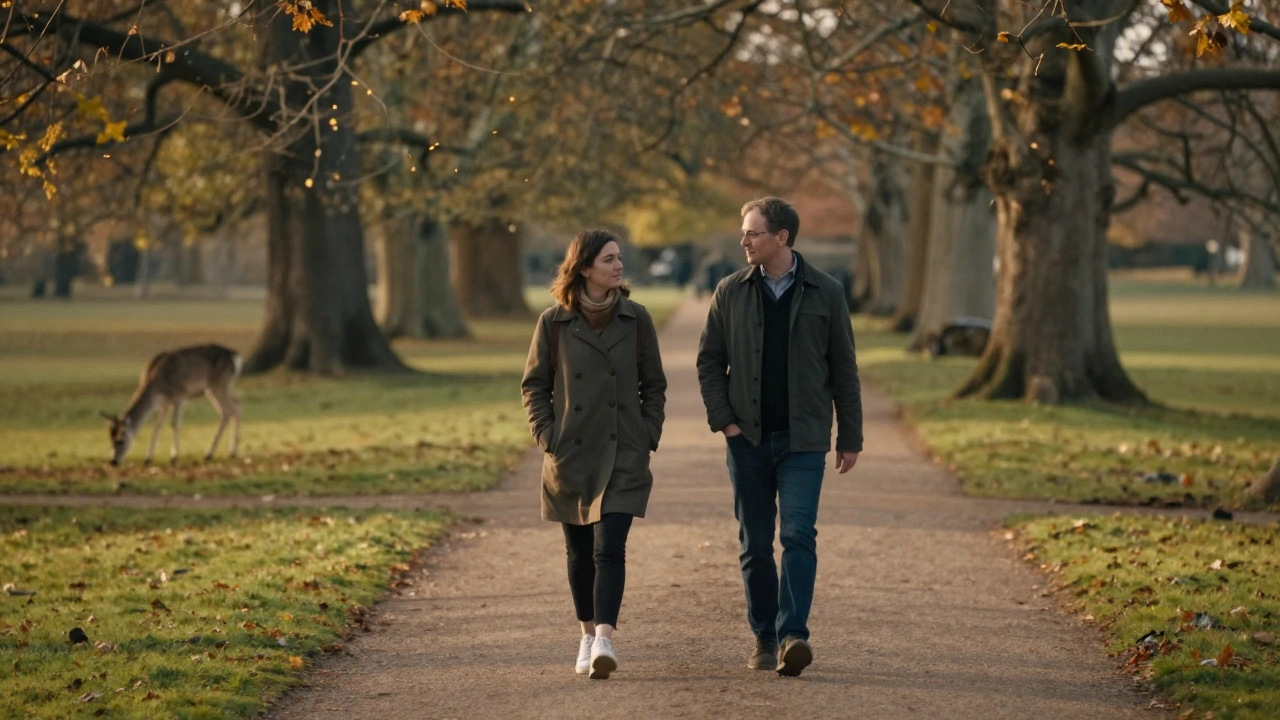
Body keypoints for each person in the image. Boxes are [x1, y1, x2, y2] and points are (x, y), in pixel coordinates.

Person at [696, 197, 863, 677]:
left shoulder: (826, 291)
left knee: (797, 535)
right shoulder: (729, 291)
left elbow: (844, 369)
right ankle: (763, 638)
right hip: (746, 439)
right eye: (744, 233)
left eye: (752, 232)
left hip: (804, 440)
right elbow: (709, 362)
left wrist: (849, 436)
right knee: (754, 544)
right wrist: (725, 422)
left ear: (781, 237)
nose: (744, 241)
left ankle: (794, 636)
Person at [521, 229, 667, 680]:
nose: (618, 266)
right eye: (609, 259)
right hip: (572, 454)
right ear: (585, 267)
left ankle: (605, 636)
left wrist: (647, 432)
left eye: (619, 258)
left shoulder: (636, 319)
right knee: (579, 553)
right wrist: (549, 435)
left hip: (623, 450)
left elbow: (654, 385)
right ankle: (586, 633)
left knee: (610, 547)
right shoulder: (553, 322)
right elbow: (534, 386)